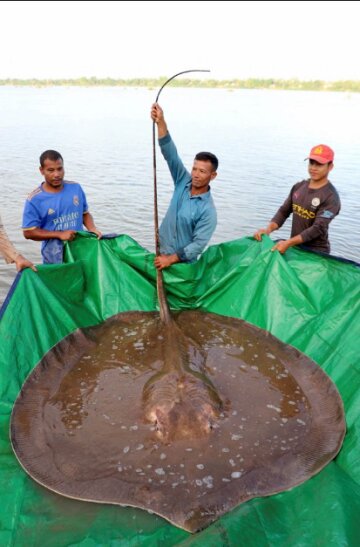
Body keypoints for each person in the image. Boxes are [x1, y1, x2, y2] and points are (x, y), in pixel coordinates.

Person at [151, 103, 219, 270]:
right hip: (160, 255)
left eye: (202, 171)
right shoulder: (182, 180)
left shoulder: (208, 211)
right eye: (194, 168)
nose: (195, 174)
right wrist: (161, 122)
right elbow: (170, 153)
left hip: (182, 265)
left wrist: (171, 259)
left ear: (212, 176)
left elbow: (197, 245)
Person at [254, 144, 341, 254]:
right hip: (295, 248)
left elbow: (318, 228)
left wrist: (288, 243)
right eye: (311, 162)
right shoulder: (299, 187)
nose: (313, 168)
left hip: (316, 253)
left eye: (319, 164)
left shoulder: (331, 197)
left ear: (330, 167)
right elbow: (283, 212)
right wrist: (268, 230)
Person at [22, 150, 102, 264]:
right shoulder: (34, 199)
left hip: (80, 248)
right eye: (51, 170)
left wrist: (92, 229)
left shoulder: (75, 188)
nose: (57, 174)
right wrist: (59, 234)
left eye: (60, 169)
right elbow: (28, 232)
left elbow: (85, 214)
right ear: (41, 170)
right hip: (53, 254)